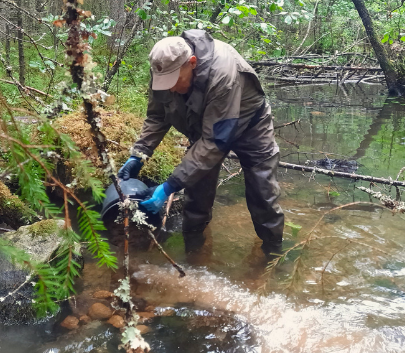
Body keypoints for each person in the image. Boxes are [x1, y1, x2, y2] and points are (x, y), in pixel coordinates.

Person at [118, 30, 284, 255]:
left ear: (192, 63)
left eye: (174, 81)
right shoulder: (163, 68)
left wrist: (169, 186)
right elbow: (157, 116)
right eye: (164, 83)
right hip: (205, 126)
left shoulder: (223, 74)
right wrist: (139, 154)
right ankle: (195, 251)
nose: (170, 88)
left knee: (262, 191)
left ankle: (272, 255)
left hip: (250, 124)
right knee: (196, 191)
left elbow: (215, 142)